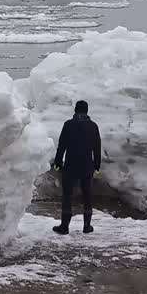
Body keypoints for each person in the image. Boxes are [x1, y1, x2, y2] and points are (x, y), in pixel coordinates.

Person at [51, 100, 101, 235]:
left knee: (67, 195)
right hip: (87, 165)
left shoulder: (68, 125)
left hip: (70, 165)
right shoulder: (93, 126)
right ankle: (87, 226)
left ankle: (64, 226)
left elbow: (62, 145)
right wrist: (97, 165)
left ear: (75, 110)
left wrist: (58, 162)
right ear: (87, 111)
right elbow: (97, 147)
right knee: (87, 195)